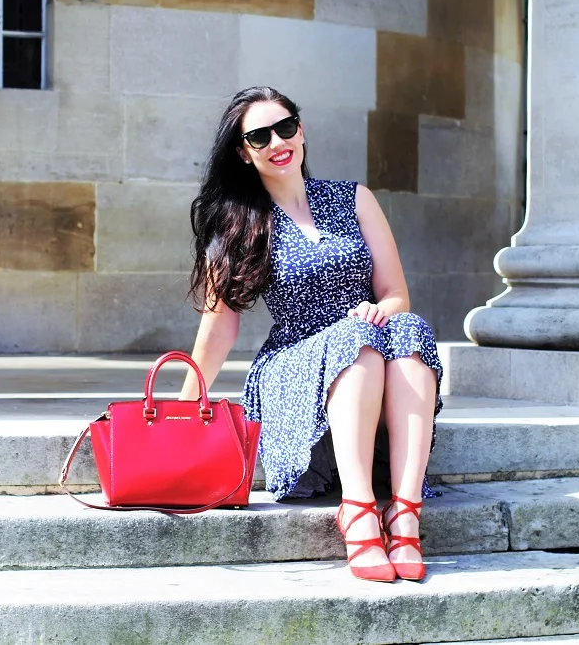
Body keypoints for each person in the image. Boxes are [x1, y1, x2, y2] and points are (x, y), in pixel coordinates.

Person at [179, 86, 442, 583]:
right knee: (355, 343)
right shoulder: (239, 224)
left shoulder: (353, 198)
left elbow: (395, 294)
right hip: (293, 366)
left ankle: (405, 511)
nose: (278, 140)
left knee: (408, 330)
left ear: (301, 130)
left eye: (286, 126)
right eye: (260, 135)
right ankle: (359, 510)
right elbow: (220, 323)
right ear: (244, 151)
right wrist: (187, 404)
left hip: (366, 349)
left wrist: (376, 311)